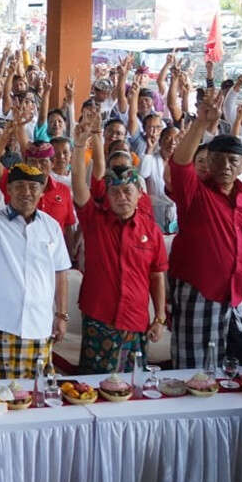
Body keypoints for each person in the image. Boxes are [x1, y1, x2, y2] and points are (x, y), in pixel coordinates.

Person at [166, 89, 242, 369]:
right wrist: (200, 122)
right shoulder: (195, 193)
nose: (225, 166)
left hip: (235, 294)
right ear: (208, 162)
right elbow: (179, 164)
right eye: (219, 160)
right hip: (199, 291)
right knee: (193, 368)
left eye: (232, 161)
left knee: (230, 367)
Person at [70, 118, 167, 374]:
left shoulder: (152, 232)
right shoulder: (95, 222)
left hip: (136, 320)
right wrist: (80, 147)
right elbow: (79, 188)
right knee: (93, 386)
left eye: (128, 192)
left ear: (139, 194)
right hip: (99, 318)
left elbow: (157, 276)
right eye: (115, 193)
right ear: (108, 196)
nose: (122, 197)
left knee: (132, 391)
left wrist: (159, 318)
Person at [0, 158, 71, 379]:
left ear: (41, 191)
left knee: (38, 394)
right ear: (9, 190)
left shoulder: (51, 226)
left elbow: (60, 272)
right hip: (2, 320)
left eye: (33, 187)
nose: (27, 192)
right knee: (1, 393)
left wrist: (61, 314)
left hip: (40, 321)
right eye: (20, 186)